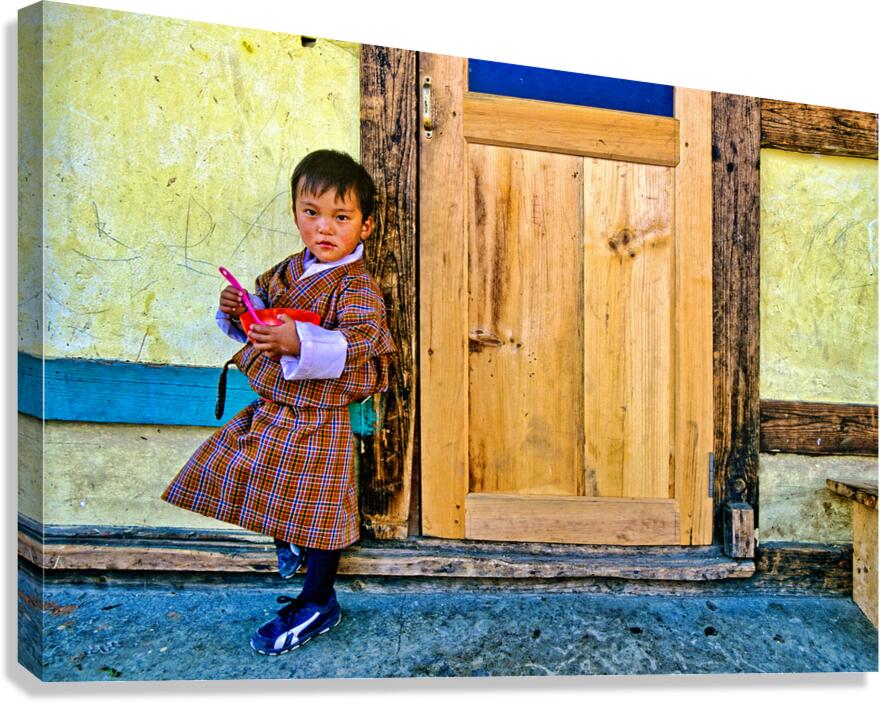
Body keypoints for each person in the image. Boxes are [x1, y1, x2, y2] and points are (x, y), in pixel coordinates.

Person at [161, 149, 395, 655]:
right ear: (295, 215)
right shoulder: (291, 269)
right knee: (237, 464)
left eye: (341, 217)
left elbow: (362, 341)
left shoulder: (357, 286)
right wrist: (238, 309)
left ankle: (317, 601)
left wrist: (300, 344)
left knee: (321, 514)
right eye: (311, 213)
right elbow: (260, 312)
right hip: (274, 408)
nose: (324, 229)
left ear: (366, 226)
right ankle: (287, 538)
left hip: (321, 419)